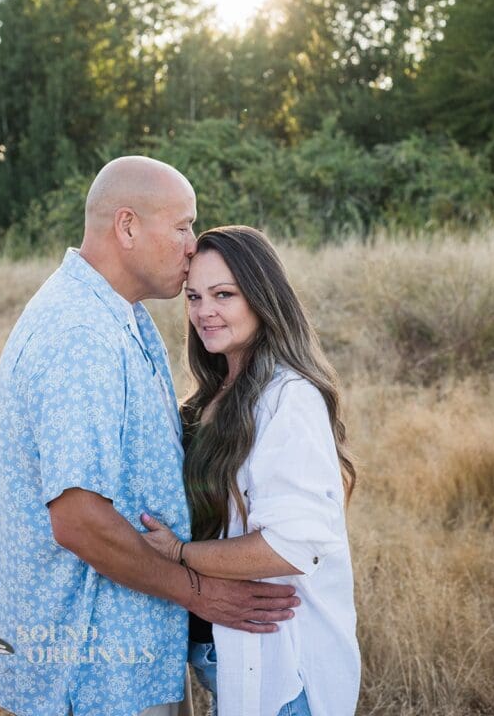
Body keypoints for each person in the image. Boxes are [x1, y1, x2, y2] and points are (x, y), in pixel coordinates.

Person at [0, 160, 298, 716]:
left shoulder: (118, 315)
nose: (192, 244)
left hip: (124, 660)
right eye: (182, 225)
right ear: (127, 227)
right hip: (92, 674)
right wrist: (201, 591)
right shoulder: (79, 335)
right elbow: (79, 519)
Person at [141, 226, 361, 716]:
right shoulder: (213, 395)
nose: (204, 312)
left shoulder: (289, 398)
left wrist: (179, 554)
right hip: (226, 657)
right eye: (195, 297)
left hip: (282, 673)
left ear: (262, 299)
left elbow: (292, 544)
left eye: (224, 294)